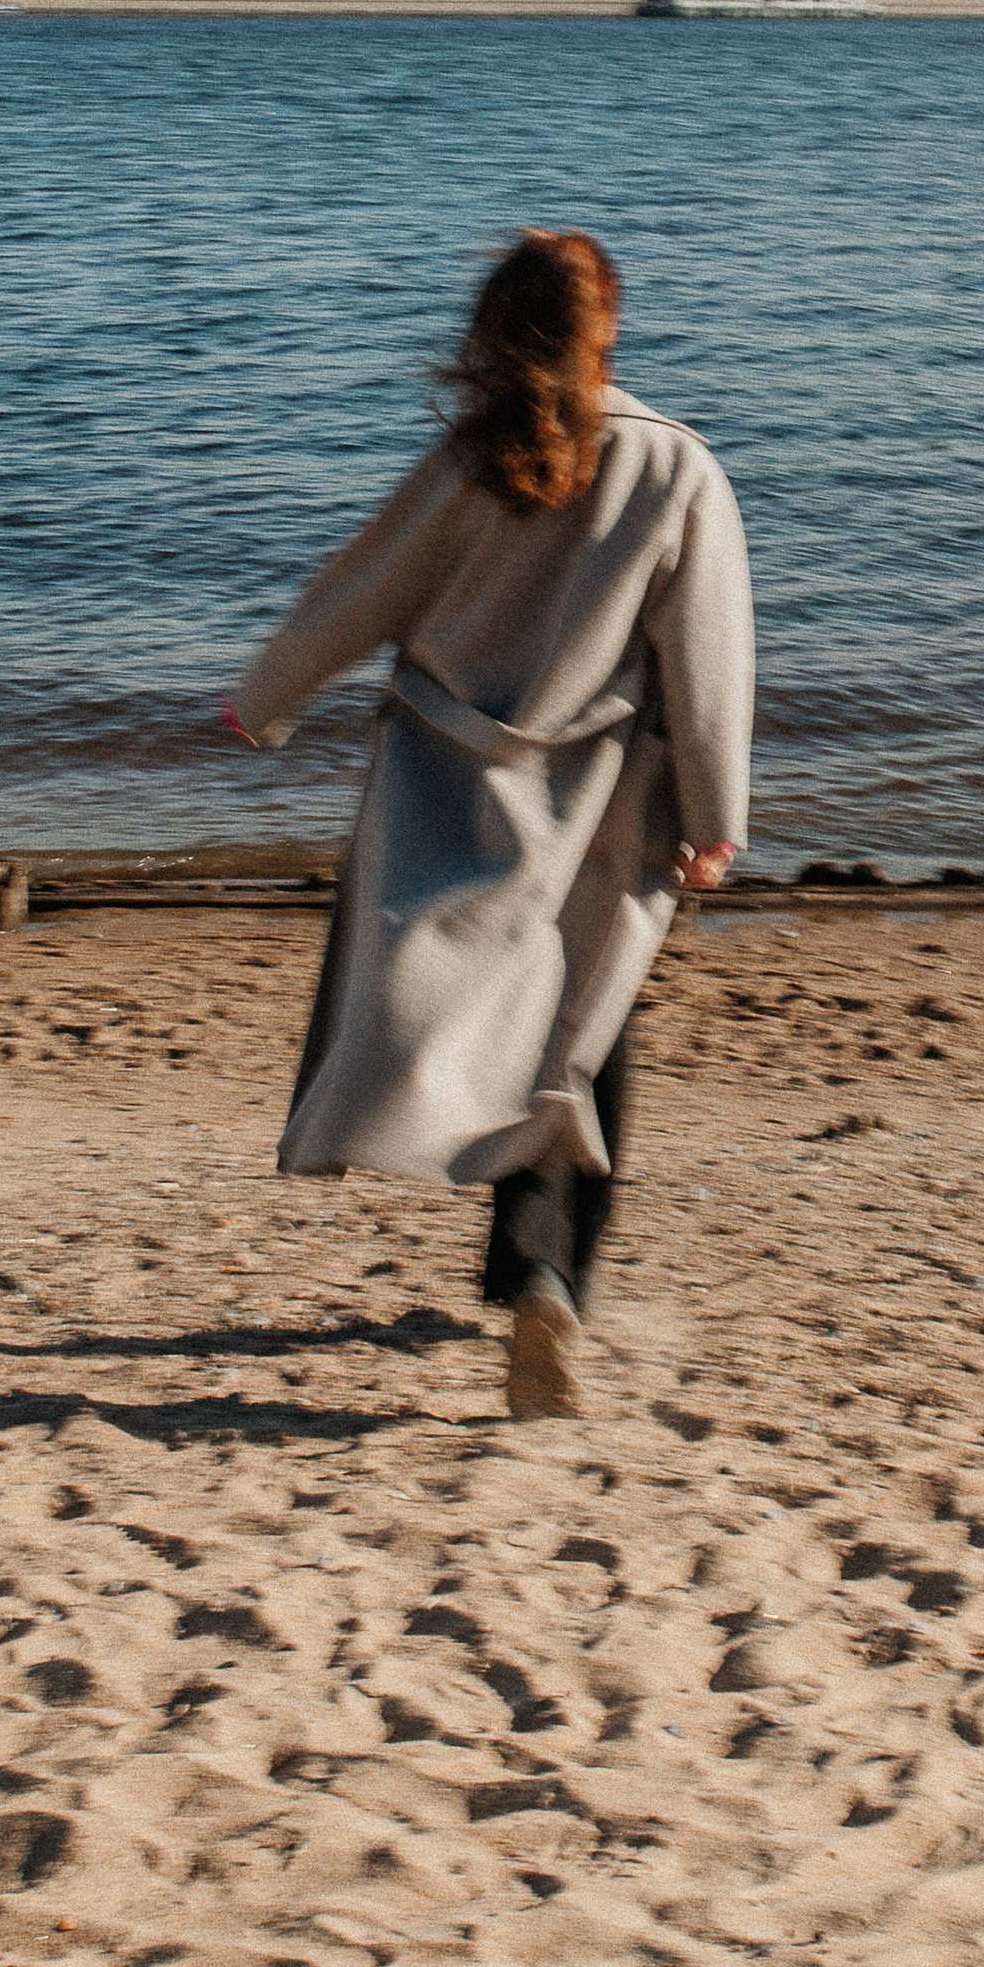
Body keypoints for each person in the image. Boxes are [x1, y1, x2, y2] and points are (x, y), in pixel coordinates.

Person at [221, 230, 752, 1419]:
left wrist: (264, 701)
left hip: (443, 785)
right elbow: (708, 661)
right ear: (608, 328)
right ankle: (550, 1280)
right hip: (608, 798)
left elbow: (360, 594)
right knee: (579, 1035)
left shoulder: (469, 462)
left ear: (491, 332)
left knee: (443, 1002)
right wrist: (715, 819)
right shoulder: (677, 467)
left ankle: (499, 1240)